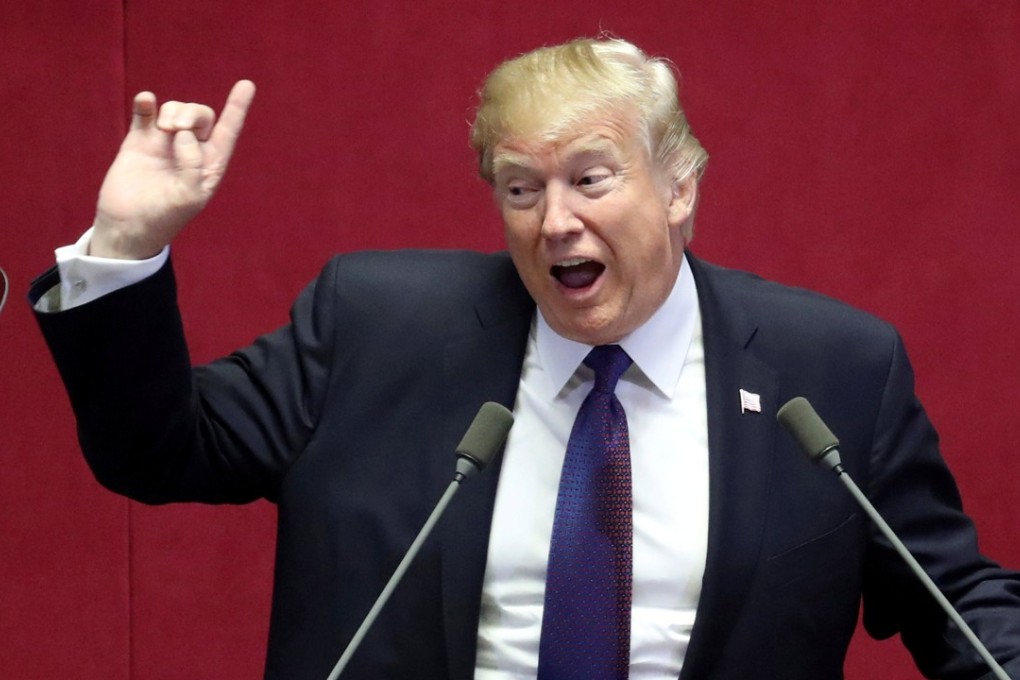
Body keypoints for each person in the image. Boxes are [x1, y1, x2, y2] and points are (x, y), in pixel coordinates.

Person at [30, 37, 1020, 680]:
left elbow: (955, 600)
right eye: (518, 188)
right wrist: (123, 244)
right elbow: (152, 451)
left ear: (678, 186)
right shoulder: (375, 326)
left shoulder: (834, 368)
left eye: (591, 177)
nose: (555, 221)